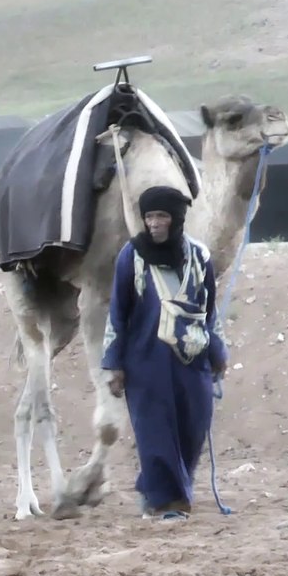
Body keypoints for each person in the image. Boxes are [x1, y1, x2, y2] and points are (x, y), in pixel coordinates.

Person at [101, 184, 228, 520]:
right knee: (155, 432)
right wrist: (114, 364)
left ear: (177, 219)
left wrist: (218, 353)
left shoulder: (199, 256)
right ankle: (166, 501)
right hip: (145, 361)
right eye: (149, 216)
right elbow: (118, 311)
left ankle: (158, 489)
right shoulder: (132, 256)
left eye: (161, 216)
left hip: (192, 358)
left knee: (193, 426)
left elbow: (209, 309)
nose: (154, 223)